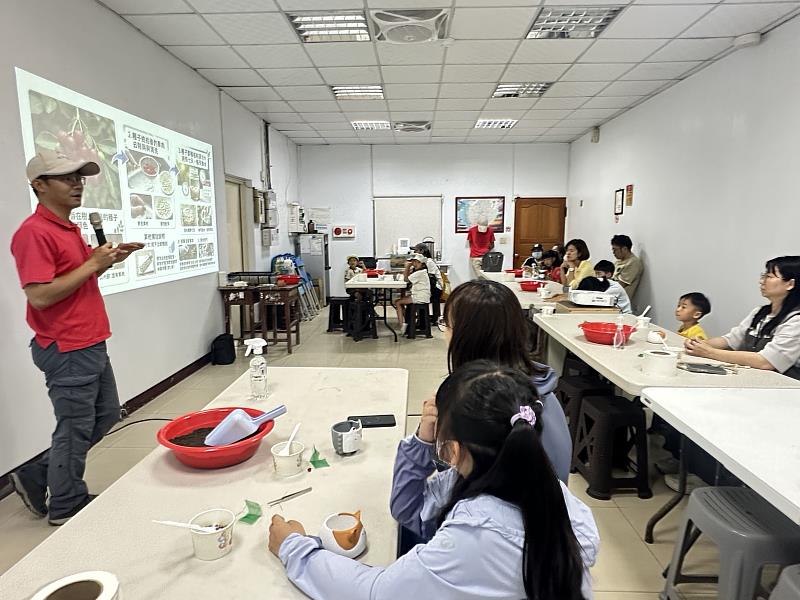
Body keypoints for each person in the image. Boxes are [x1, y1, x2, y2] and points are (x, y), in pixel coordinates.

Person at [269, 361, 600, 600]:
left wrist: (294, 547)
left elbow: (375, 592)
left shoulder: (474, 538)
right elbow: (410, 510)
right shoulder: (543, 489)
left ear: (453, 450)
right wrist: (423, 440)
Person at [9, 150, 144, 526]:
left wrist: (105, 262)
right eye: (66, 178)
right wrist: (91, 264)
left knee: (104, 415)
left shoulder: (68, 228)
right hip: (66, 346)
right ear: (38, 185)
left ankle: (39, 474)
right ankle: (66, 503)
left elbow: (74, 284)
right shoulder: (34, 233)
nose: (77, 184)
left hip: (89, 340)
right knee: (75, 426)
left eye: (79, 177)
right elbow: (39, 294)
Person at [442, 279, 573, 483]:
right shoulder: (542, 388)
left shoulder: (479, 408)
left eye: (447, 326)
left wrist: (421, 441)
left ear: (466, 339)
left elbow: (411, 506)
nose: (445, 334)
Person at [685, 256, 800, 379]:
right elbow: (731, 340)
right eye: (763, 276)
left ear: (790, 284)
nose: (762, 281)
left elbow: (765, 362)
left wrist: (709, 352)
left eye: (769, 277)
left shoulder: (796, 320)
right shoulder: (760, 312)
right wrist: (698, 344)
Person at [393, 253, 431, 335]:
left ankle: (403, 327)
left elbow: (406, 279)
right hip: (420, 295)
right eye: (414, 262)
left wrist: (407, 266)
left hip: (420, 297)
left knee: (398, 302)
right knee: (401, 301)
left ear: (422, 264)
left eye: (417, 262)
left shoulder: (420, 273)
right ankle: (407, 323)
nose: (414, 264)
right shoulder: (421, 271)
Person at [412, 243, 444, 325]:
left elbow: (430, 278)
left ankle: (429, 319)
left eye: (416, 250)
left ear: (422, 251)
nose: (415, 252)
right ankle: (423, 319)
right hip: (431, 284)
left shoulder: (428, 262)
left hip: (436, 286)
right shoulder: (423, 261)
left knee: (420, 295)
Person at [611, 235, 644, 299]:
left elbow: (620, 286)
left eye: (615, 249)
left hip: (619, 302)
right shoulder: (618, 261)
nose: (613, 252)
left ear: (624, 249)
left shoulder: (633, 263)